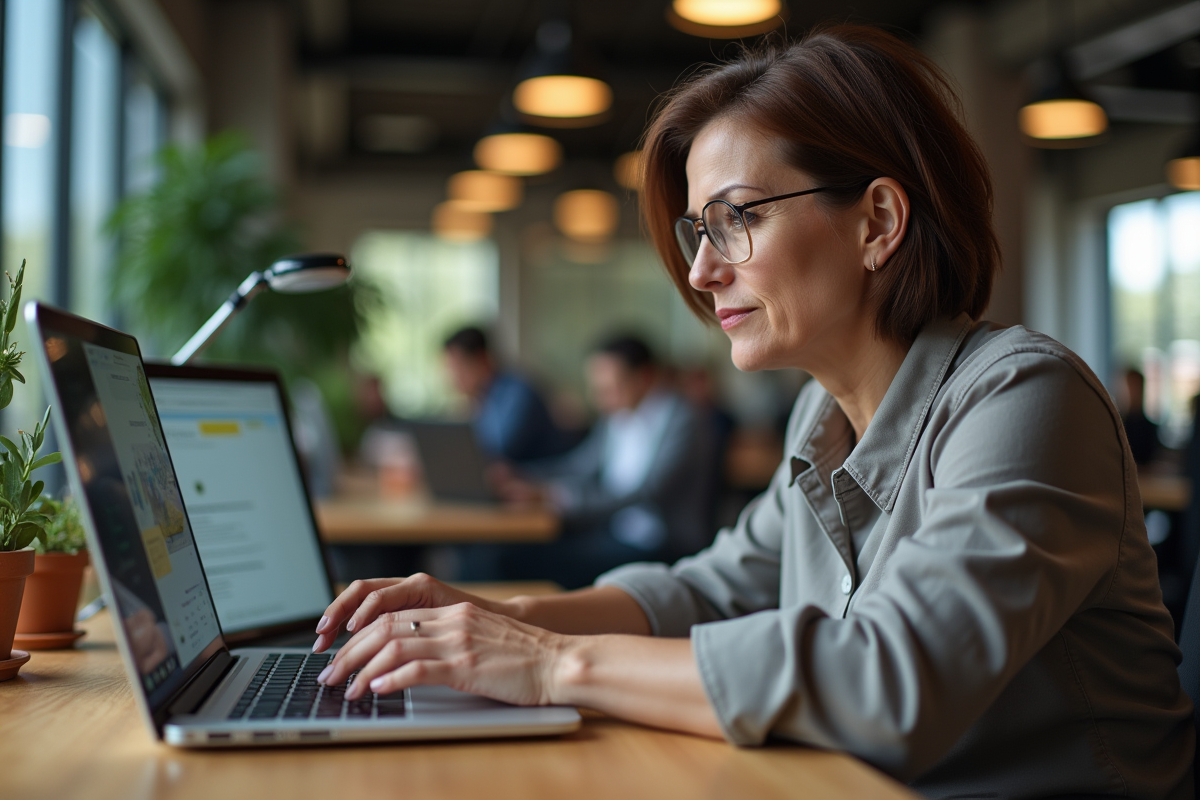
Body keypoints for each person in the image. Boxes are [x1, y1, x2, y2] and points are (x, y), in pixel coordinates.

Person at [312, 26, 1193, 797]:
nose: (700, 272)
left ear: (877, 222)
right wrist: (499, 620)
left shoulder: (1026, 396)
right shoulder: (825, 417)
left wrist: (549, 664)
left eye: (736, 220)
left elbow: (891, 683)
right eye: (699, 232)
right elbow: (706, 589)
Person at [474, 335, 712, 588]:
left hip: (659, 546)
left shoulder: (682, 419)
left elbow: (647, 491)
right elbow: (580, 465)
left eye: (609, 388)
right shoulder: (618, 414)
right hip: (612, 532)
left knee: (513, 561)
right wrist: (520, 474)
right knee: (498, 553)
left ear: (644, 378)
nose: (598, 398)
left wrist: (556, 498)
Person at [442, 326, 572, 462]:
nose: (454, 378)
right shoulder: (482, 397)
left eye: (459, 367)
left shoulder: (519, 392)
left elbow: (501, 450)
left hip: (544, 477)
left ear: (482, 359)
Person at [1120, 367, 1160, 465]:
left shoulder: (1149, 428)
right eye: (1130, 386)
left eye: (1136, 386)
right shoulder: (1118, 426)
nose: (1133, 392)